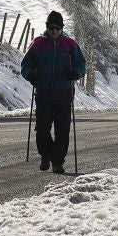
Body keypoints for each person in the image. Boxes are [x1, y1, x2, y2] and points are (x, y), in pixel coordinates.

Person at [21, 10, 86, 174]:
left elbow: (81, 64)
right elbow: (26, 65)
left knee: (62, 130)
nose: (54, 31)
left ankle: (57, 162)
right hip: (43, 93)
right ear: (47, 27)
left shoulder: (70, 44)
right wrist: (30, 75)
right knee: (42, 128)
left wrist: (76, 73)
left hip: (64, 93)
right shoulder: (38, 44)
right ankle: (46, 155)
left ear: (62, 28)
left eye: (57, 27)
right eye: (51, 27)